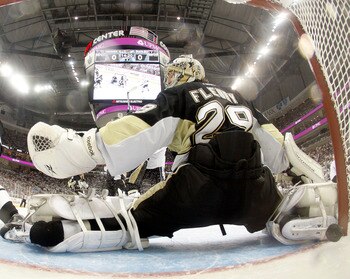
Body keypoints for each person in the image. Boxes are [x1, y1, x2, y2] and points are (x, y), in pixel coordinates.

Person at [0, 55, 340, 252]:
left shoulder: (182, 96)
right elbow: (278, 152)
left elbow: (142, 128)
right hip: (255, 192)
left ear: (188, 76)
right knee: (271, 199)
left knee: (132, 220)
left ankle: (68, 232)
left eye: (176, 74)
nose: (172, 79)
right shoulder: (238, 97)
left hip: (196, 190)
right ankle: (295, 213)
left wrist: (86, 149)